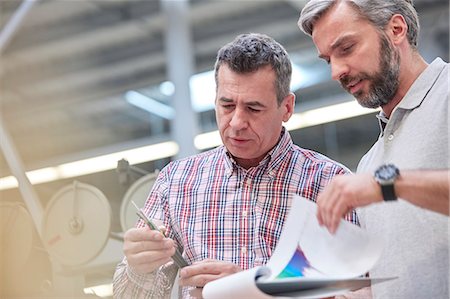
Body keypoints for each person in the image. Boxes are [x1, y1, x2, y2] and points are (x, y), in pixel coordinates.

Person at [113, 33, 358, 298]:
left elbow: (361, 292)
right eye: (227, 105)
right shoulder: (176, 182)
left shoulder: (330, 184)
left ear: (286, 107)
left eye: (254, 108)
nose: (237, 122)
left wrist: (254, 289)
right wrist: (139, 268)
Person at [298, 1, 449, 298]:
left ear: (396, 29)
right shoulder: (370, 163)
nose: (336, 71)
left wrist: (388, 184)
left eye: (346, 48)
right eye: (328, 59)